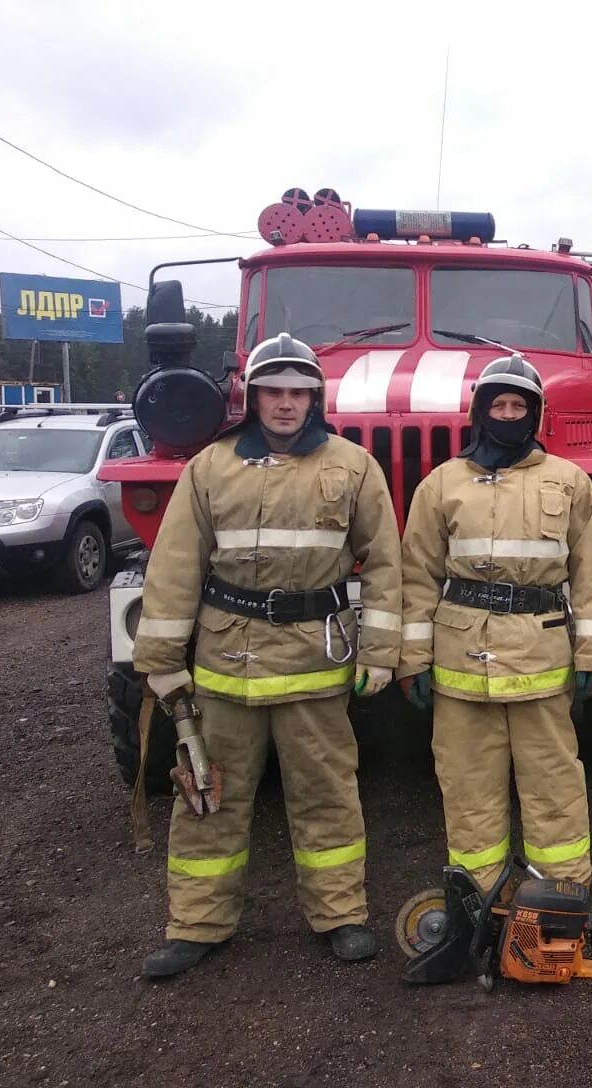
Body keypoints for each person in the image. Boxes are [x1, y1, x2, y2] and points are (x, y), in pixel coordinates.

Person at [134, 333, 403, 978]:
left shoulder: (353, 466)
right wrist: (163, 657)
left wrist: (384, 648)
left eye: (299, 393)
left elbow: (389, 560)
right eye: (273, 392)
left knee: (327, 795)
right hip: (227, 666)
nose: (286, 404)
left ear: (316, 397)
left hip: (315, 661)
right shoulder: (211, 466)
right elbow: (175, 565)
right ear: (252, 397)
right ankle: (197, 925)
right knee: (207, 797)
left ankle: (341, 916)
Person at [396, 354, 592, 894]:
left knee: (554, 785)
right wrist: (412, 658)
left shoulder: (569, 482)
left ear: (535, 414)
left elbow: (590, 576)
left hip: (541, 662)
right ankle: (479, 899)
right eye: (499, 404)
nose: (509, 414)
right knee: (468, 789)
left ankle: (562, 897)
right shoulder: (441, 484)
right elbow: (417, 574)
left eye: (520, 406)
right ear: (480, 411)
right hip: (460, 665)